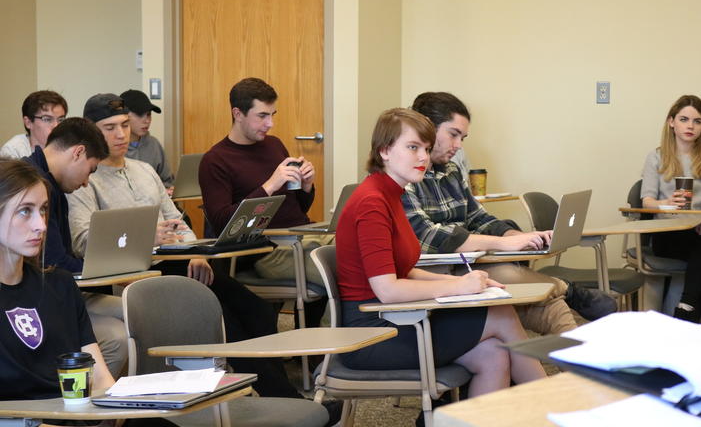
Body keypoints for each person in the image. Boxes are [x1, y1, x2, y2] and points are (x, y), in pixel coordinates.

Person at [66, 94, 303, 400]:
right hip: (136, 275)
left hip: (179, 262)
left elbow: (178, 221)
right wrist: (147, 237)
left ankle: (276, 395)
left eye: (125, 125)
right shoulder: (88, 179)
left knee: (256, 309)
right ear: (91, 131)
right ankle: (281, 399)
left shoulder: (144, 170)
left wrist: (195, 253)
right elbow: (83, 242)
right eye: (110, 127)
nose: (121, 134)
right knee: (219, 316)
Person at [336, 108, 546, 398]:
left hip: (398, 320)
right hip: (373, 334)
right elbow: (387, 289)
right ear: (384, 150)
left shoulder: (390, 192)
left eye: (425, 148)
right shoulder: (373, 202)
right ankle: (556, 407)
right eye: (412, 148)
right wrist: (458, 285)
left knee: (493, 355)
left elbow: (404, 269)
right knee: (501, 314)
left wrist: (476, 288)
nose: (423, 157)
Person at [405, 92, 616, 329]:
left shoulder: (451, 170)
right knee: (516, 279)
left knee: (552, 305)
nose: (458, 146)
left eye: (462, 138)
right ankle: (564, 288)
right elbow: (425, 236)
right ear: (425, 127)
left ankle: (581, 359)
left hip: (470, 263)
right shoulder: (403, 174)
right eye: (453, 135)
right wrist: (502, 244)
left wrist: (513, 236)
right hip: (440, 274)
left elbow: (477, 216)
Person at [199, 77, 330, 326]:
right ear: (238, 113)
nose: (270, 123)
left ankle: (318, 350)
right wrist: (270, 185)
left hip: (299, 236)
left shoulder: (274, 145)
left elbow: (297, 209)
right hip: (263, 250)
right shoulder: (215, 160)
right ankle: (317, 353)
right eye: (262, 116)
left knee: (357, 251)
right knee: (337, 272)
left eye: (272, 114)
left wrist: (306, 186)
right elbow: (222, 225)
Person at [22, 117, 128, 378]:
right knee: (121, 330)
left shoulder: (52, 186)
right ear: (78, 152)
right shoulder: (35, 185)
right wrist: (102, 269)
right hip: (39, 296)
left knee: (135, 308)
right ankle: (90, 412)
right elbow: (55, 261)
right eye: (91, 171)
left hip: (57, 290)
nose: (85, 183)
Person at [0, 158, 114, 400]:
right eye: (25, 211)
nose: (41, 225)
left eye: (42, 209)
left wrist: (115, 410)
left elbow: (99, 377)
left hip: (76, 415)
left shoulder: (61, 285)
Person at [641, 94, 701, 324]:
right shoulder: (656, 157)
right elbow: (647, 202)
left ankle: (687, 307)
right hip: (667, 234)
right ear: (671, 122)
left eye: (697, 121)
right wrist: (666, 203)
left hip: (700, 231)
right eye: (684, 119)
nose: (690, 126)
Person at [120, 89, 174, 192]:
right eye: (140, 115)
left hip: (157, 205)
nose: (147, 120)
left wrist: (167, 190)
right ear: (124, 116)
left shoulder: (154, 144)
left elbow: (167, 181)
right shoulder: (114, 147)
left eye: (149, 114)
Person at [1, 90, 68, 159]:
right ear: (28, 122)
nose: (56, 126)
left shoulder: (69, 147)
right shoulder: (12, 152)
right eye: (47, 119)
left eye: (61, 120)